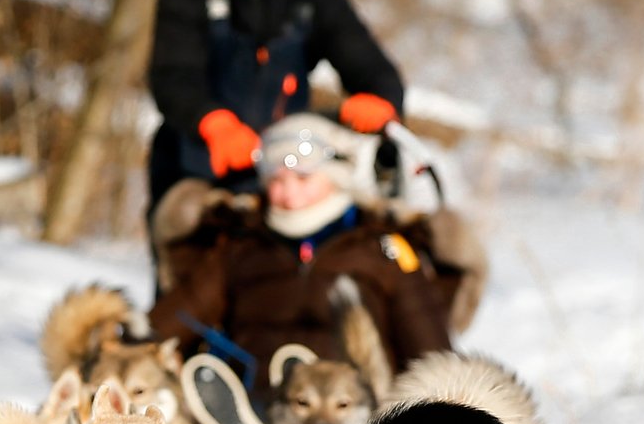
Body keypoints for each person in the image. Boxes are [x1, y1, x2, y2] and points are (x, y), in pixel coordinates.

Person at [147, 0, 406, 280]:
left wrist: (381, 99)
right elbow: (173, 74)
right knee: (192, 292)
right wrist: (211, 123)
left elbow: (368, 62)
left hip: (285, 177)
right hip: (195, 170)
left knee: (283, 291)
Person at [147, 113, 456, 403]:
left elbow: (430, 352)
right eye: (277, 181)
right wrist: (127, 348)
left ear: (336, 176)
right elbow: (173, 320)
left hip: (354, 415)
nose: (289, 194)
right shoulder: (241, 245)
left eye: (303, 178)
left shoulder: (381, 248)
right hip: (261, 406)